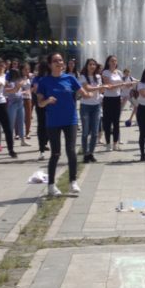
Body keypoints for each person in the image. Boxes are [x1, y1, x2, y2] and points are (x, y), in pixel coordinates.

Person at [37, 53, 82, 196]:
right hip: (53, 121)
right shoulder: (44, 81)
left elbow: (84, 93)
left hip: (70, 120)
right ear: (50, 64)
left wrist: (99, 89)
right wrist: (47, 100)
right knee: (55, 153)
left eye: (61, 60)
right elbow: (40, 103)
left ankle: (73, 182)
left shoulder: (70, 78)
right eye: (55, 60)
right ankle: (51, 185)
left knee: (71, 150)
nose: (59, 62)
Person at [78, 59, 109, 163]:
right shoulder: (82, 77)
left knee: (95, 133)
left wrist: (104, 87)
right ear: (87, 66)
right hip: (85, 106)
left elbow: (101, 91)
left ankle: (90, 153)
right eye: (90, 64)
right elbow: (87, 88)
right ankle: (85, 154)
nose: (92, 66)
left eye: (94, 64)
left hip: (96, 106)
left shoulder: (98, 77)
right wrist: (100, 87)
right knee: (85, 132)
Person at [101, 55, 130, 151]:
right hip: (108, 98)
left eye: (115, 61)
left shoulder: (119, 72)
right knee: (107, 122)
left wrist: (126, 86)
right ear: (108, 62)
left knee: (116, 122)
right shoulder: (105, 72)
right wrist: (121, 84)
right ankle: (108, 143)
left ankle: (115, 143)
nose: (114, 62)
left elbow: (122, 87)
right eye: (112, 61)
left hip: (117, 98)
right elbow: (109, 86)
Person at [31, 60, 49, 161]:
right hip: (41, 104)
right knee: (42, 125)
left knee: (50, 125)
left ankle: (45, 141)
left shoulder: (52, 78)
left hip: (51, 104)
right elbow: (35, 89)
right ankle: (41, 147)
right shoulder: (37, 78)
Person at [5, 68, 28, 147]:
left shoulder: (18, 81)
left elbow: (19, 90)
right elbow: (11, 91)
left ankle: (23, 140)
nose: (17, 74)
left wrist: (23, 92)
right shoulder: (9, 83)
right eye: (15, 73)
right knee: (11, 123)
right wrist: (18, 87)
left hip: (20, 102)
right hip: (12, 103)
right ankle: (10, 141)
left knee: (21, 122)